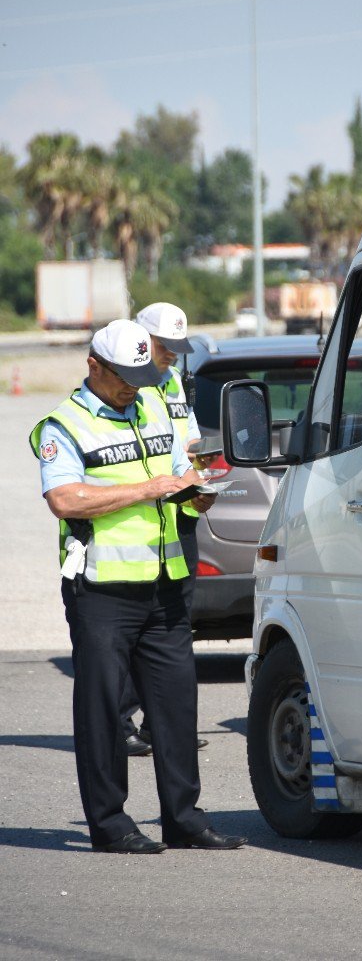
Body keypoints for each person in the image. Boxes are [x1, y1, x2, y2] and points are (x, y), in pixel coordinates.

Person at [30, 319, 247, 853]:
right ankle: (109, 823)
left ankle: (184, 818)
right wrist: (149, 487)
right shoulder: (63, 424)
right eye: (123, 375)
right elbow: (65, 500)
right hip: (102, 589)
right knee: (103, 709)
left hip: (165, 583)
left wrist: (197, 495)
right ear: (93, 366)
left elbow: (177, 472)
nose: (133, 384)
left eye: (140, 373)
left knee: (176, 705)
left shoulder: (153, 406)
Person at [120, 302, 209, 755]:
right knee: (135, 628)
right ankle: (119, 724)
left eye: (177, 347)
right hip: (139, 522)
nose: (172, 355)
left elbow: (188, 439)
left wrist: (205, 467)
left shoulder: (172, 381)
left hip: (180, 516)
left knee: (174, 626)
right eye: (163, 347)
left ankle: (163, 725)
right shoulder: (124, 385)